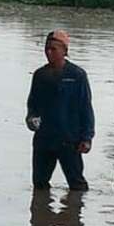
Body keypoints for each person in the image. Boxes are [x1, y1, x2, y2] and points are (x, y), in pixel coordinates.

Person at [26, 30, 95, 191]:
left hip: (70, 140)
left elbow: (86, 107)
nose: (49, 52)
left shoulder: (77, 75)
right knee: (39, 185)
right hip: (44, 139)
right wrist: (31, 119)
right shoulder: (40, 75)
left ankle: (76, 213)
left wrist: (87, 137)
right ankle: (41, 214)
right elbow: (32, 105)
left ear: (64, 51)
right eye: (47, 48)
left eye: (53, 49)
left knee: (77, 185)